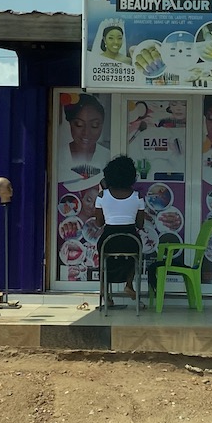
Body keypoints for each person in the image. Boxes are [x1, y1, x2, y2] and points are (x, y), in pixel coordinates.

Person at [92, 154, 148, 303]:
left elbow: (98, 223)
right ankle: (129, 284)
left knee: (104, 258)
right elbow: (140, 225)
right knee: (134, 256)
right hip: (131, 239)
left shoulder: (102, 195)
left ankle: (105, 290)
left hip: (109, 239)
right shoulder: (137, 196)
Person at [60, 93, 109, 181]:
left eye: (94, 125)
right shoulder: (58, 156)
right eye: (79, 124)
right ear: (70, 123)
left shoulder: (109, 157)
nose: (86, 132)